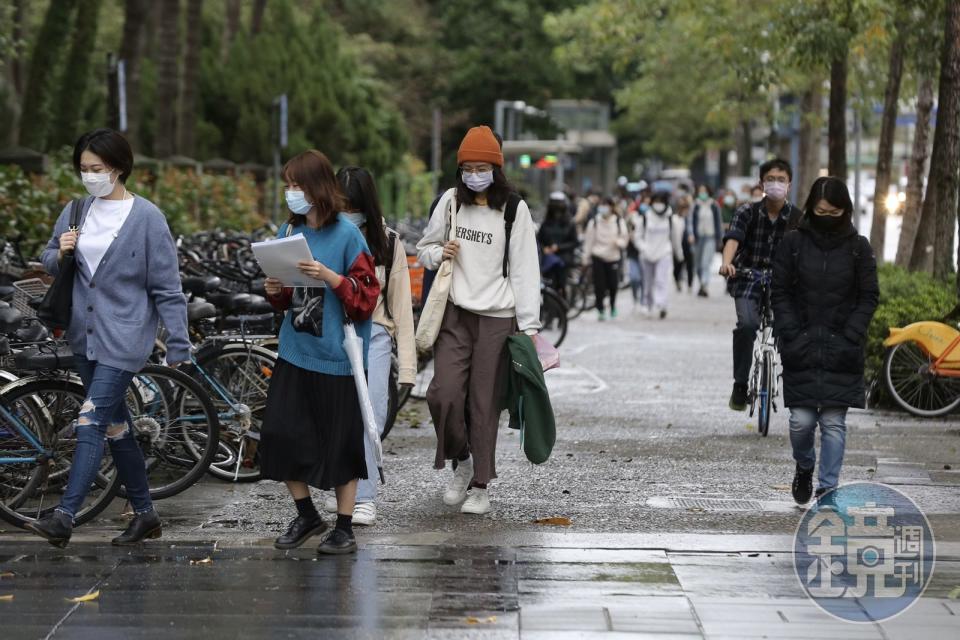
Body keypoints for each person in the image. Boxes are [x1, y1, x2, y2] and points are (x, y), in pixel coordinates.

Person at [28, 128, 190, 548]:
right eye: (83, 169)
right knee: (117, 428)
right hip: (84, 337)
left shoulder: (148, 218)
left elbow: (167, 288)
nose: (89, 176)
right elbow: (46, 258)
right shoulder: (76, 210)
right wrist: (60, 251)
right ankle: (146, 515)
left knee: (92, 419)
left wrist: (178, 343)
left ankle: (65, 516)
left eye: (96, 169)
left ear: (118, 168)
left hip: (127, 337)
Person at [416, 125, 541, 516]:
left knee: (484, 405)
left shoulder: (514, 209)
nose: (474, 174)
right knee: (443, 394)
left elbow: (525, 270)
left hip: (498, 319)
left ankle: (481, 485)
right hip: (455, 313)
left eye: (481, 167)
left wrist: (530, 327)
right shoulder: (451, 202)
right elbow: (424, 250)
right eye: (467, 167)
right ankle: (463, 460)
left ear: (496, 167)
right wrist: (439, 254)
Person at [260, 149, 380, 555]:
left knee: (341, 443)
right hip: (296, 348)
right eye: (288, 185)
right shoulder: (288, 230)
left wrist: (329, 276)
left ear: (318, 187)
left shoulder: (348, 234)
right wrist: (275, 291)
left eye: (298, 185)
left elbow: (366, 298)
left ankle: (344, 526)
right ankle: (307, 514)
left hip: (337, 356)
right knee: (280, 435)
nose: (291, 193)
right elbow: (288, 297)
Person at [771, 177, 878, 504]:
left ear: (845, 210)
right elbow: (780, 291)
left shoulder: (858, 247)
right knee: (801, 423)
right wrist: (792, 333)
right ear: (811, 208)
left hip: (841, 350)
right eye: (820, 211)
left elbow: (868, 296)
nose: (827, 216)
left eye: (834, 211)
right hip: (801, 347)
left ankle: (827, 488)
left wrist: (851, 334)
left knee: (833, 423)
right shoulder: (793, 243)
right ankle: (804, 466)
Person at [334, 166, 416, 527]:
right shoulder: (325, 235)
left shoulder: (388, 241)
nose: (348, 212)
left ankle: (364, 496)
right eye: (342, 204)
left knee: (373, 413)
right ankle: (343, 490)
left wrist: (409, 368)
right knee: (338, 414)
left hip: (376, 332)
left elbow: (401, 308)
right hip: (331, 331)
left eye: (353, 205)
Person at [720, 158, 802, 411]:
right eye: (771, 179)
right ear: (761, 183)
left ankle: (796, 386)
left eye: (781, 179)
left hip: (783, 284)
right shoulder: (747, 212)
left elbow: (806, 251)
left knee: (790, 330)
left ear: (789, 184)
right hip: (748, 278)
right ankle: (740, 384)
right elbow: (733, 239)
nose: (775, 184)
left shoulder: (798, 218)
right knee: (747, 325)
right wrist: (727, 263)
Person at [636, 191, 684, 318]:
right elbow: (637, 237)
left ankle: (662, 304)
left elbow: (675, 238)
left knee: (661, 280)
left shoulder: (670, 218)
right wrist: (643, 248)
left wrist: (679, 254)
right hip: (647, 254)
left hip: (664, 252)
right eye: (656, 202)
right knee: (648, 282)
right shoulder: (645, 217)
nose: (658, 205)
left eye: (661, 202)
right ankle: (647, 304)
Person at [582, 197, 629, 320]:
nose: (603, 208)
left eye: (606, 205)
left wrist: (618, 242)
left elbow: (624, 239)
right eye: (601, 205)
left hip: (613, 257)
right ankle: (600, 309)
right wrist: (585, 258)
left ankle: (612, 305)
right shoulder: (594, 222)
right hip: (598, 257)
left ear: (612, 207)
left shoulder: (619, 221)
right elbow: (589, 241)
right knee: (599, 286)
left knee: (613, 285)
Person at [537, 191, 579, 298]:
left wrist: (558, 247)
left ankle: (562, 309)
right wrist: (544, 248)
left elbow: (574, 242)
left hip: (563, 261)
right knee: (548, 287)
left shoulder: (569, 223)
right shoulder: (546, 222)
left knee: (561, 286)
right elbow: (539, 239)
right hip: (548, 261)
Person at [690, 185, 722, 297]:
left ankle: (705, 284)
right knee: (698, 265)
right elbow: (690, 221)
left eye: (704, 191)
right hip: (698, 238)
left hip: (710, 237)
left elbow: (718, 222)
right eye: (700, 191)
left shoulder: (714, 205)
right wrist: (691, 234)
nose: (702, 193)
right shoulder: (695, 205)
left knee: (705, 263)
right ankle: (702, 283)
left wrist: (720, 238)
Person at [673, 193, 696, 293]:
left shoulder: (691, 218)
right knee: (678, 265)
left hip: (688, 244)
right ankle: (677, 281)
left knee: (690, 265)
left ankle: (690, 285)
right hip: (679, 244)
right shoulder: (676, 218)